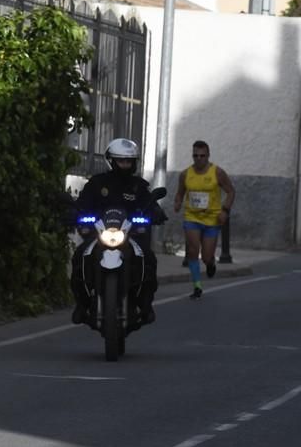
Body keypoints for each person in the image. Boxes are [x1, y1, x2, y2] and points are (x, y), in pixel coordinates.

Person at [70, 138, 162, 326]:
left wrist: (155, 213)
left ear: (134, 162)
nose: (125, 165)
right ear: (111, 161)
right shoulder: (97, 183)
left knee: (149, 259)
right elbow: (83, 204)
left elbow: (150, 206)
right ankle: (81, 304)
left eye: (128, 161)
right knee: (79, 256)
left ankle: (145, 305)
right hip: (100, 234)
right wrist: (76, 213)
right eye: (121, 161)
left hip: (131, 236)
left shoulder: (139, 186)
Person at [173, 140, 235, 299]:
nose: (199, 159)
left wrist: (225, 210)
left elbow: (230, 192)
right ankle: (197, 286)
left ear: (208, 155)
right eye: (195, 155)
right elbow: (180, 192)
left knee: (207, 256)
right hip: (192, 217)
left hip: (212, 219)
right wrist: (178, 202)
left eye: (202, 156)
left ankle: (210, 264)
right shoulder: (186, 174)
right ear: (192, 156)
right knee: (193, 251)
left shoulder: (217, 172)